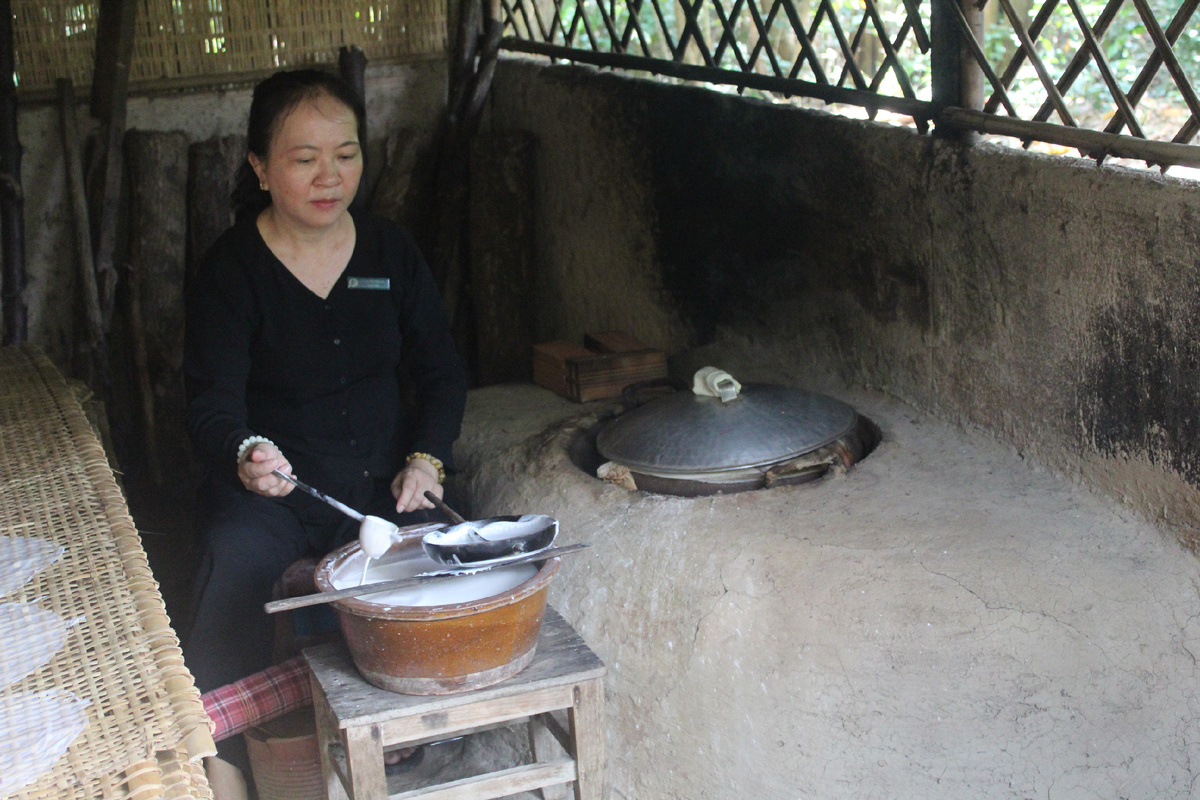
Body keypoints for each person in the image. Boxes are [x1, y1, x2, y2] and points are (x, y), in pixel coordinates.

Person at [182, 68, 468, 782]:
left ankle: (407, 737)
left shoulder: (389, 252)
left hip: (380, 484)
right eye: (304, 158)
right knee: (231, 559)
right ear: (260, 167)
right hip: (273, 493)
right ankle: (219, 755)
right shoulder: (231, 271)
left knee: (438, 564)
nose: (328, 175)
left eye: (345, 154)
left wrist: (426, 460)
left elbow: (442, 373)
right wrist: (247, 452)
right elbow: (211, 399)